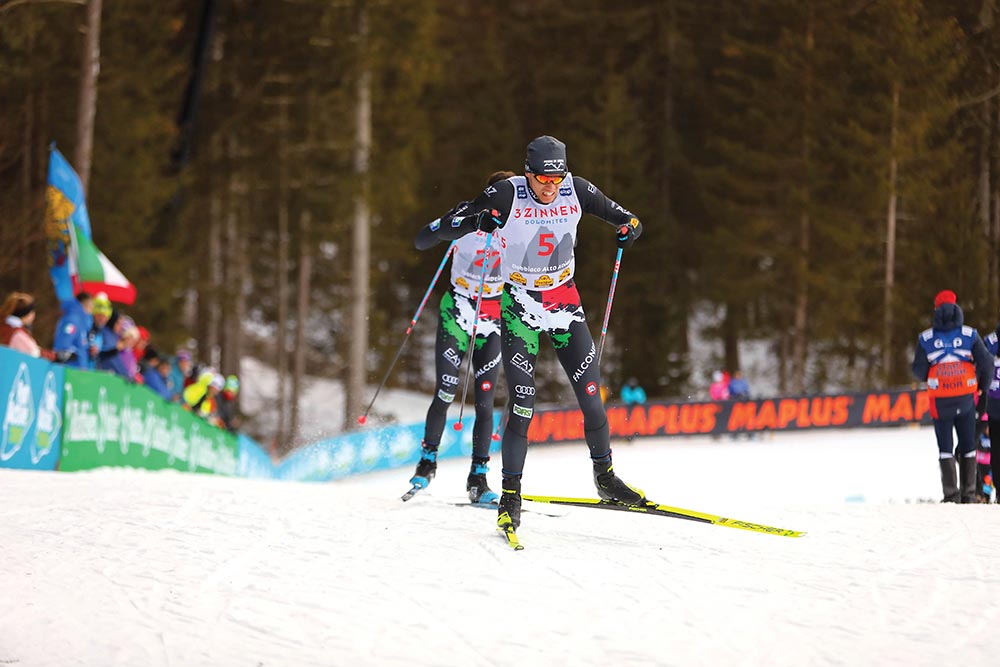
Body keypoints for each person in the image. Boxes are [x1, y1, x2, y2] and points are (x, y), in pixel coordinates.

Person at [415, 135, 645, 531]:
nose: (549, 187)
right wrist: (476, 221)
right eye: (542, 179)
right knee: (523, 402)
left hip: (564, 305)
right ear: (528, 173)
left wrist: (631, 228)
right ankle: (509, 494)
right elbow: (451, 225)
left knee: (591, 396)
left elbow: (628, 218)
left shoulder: (578, 189)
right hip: (519, 307)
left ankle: (605, 478)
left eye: (556, 179)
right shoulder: (507, 193)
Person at [409, 170, 513, 504]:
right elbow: (422, 239)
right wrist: (463, 225)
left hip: (493, 316)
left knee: (485, 400)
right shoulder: (466, 213)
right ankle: (427, 463)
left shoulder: (521, 224)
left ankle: (478, 478)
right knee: (446, 388)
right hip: (458, 308)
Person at [911, 290, 993, 503]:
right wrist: (981, 387)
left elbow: (918, 371)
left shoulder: (926, 338)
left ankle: (950, 494)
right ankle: (968, 494)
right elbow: (986, 363)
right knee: (968, 444)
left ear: (936, 309)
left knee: (945, 446)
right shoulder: (969, 335)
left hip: (940, 400)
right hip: (966, 397)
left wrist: (935, 370)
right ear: (957, 309)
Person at [0, 292, 55, 360]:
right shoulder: (17, 334)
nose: (34, 315)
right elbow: (34, 353)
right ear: (25, 314)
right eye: (32, 312)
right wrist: (55, 356)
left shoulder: (5, 326)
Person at [52, 291, 95, 368]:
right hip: (69, 369)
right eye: (91, 307)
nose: (91, 311)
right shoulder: (73, 320)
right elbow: (63, 343)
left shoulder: (82, 322)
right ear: (85, 305)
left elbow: (79, 345)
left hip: (78, 368)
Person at [983, 315, 1000, 501]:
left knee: (996, 448)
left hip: (994, 403)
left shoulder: (989, 339)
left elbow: (980, 363)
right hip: (994, 403)